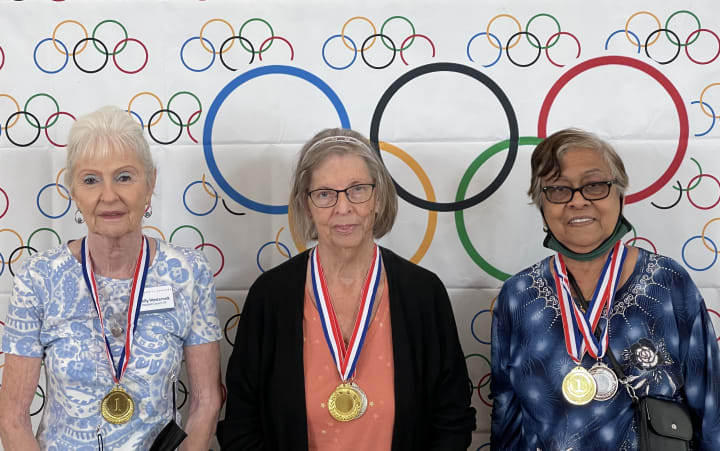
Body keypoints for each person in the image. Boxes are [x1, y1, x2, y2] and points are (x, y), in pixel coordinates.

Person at [217, 128, 475, 450]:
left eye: (357, 190)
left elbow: (452, 421)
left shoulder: (423, 293)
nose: (342, 208)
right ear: (306, 204)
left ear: (378, 198)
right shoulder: (270, 296)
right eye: (325, 194)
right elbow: (241, 424)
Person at [0, 106, 223, 450]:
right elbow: (13, 417)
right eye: (91, 180)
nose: (109, 196)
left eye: (124, 177)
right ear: (73, 190)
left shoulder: (188, 273)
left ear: (150, 183)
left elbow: (206, 399)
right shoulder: (38, 278)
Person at [490, 128, 720, 449]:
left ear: (620, 195)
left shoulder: (668, 283)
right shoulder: (517, 297)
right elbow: (507, 415)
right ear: (541, 206)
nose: (578, 200)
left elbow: (711, 407)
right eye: (558, 190)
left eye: (595, 185)